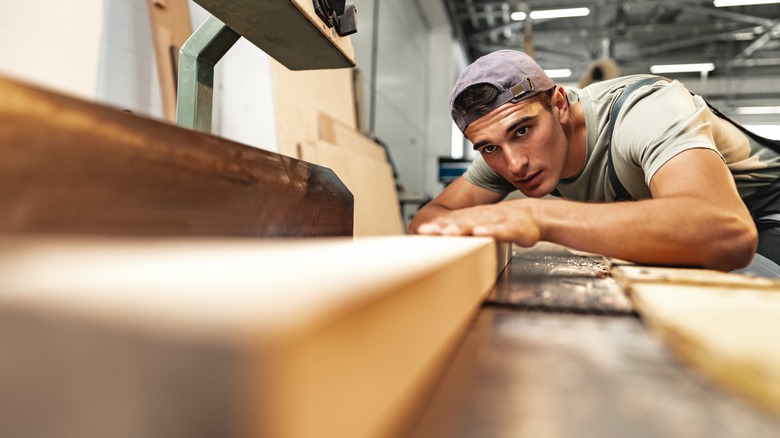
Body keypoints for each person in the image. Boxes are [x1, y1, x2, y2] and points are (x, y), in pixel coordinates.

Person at [409, 50, 780, 277]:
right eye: (488, 148)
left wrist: (540, 217)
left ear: (558, 105)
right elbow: (428, 219)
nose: (515, 164)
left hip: (764, 215)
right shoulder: (504, 148)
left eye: (523, 131)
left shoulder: (644, 111)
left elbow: (728, 233)